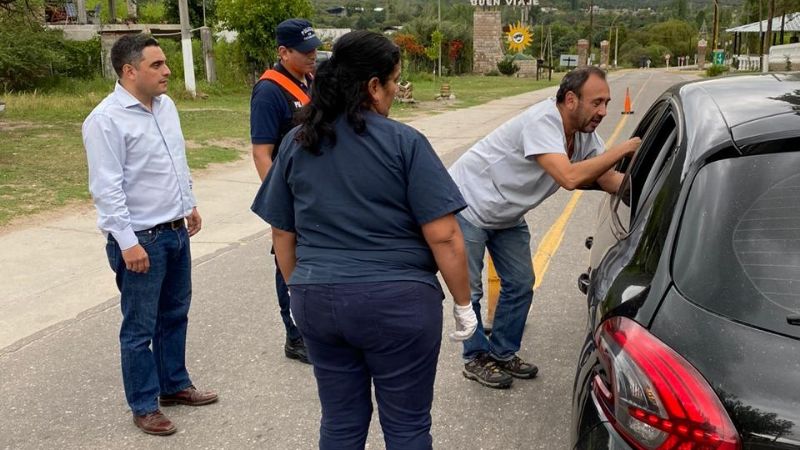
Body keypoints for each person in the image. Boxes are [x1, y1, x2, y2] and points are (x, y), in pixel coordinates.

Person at [252, 30, 478, 450]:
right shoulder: (404, 143)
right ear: (374, 86)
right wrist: (464, 304)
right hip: (398, 303)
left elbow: (282, 231)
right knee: (407, 427)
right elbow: (445, 236)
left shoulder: (298, 142)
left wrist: (301, 288)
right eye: (394, 81)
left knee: (340, 423)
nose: (396, 90)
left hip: (318, 300)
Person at [448, 67, 641, 389]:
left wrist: (654, 193)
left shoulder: (583, 135)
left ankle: (503, 352)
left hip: (507, 213)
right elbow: (569, 177)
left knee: (521, 283)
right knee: (471, 291)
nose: (603, 111)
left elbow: (607, 178)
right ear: (570, 100)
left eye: (607, 103)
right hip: (468, 204)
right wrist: (624, 148)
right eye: (596, 102)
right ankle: (475, 357)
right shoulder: (542, 122)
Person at [82, 34, 218, 436]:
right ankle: (144, 405)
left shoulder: (166, 106)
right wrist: (128, 242)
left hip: (175, 231)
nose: (167, 71)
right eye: (157, 65)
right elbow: (106, 189)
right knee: (139, 328)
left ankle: (173, 385)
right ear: (129, 71)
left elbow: (175, 160)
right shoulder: (105, 120)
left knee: (175, 313)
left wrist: (188, 204)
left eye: (165, 63)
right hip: (142, 240)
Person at [250, 18, 322, 364]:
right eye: (305, 51)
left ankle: (316, 327)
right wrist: (278, 200)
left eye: (314, 49)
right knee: (287, 258)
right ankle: (295, 336)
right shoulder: (269, 91)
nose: (312, 55)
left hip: (315, 191)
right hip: (291, 193)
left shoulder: (311, 81)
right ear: (283, 52)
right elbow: (261, 152)